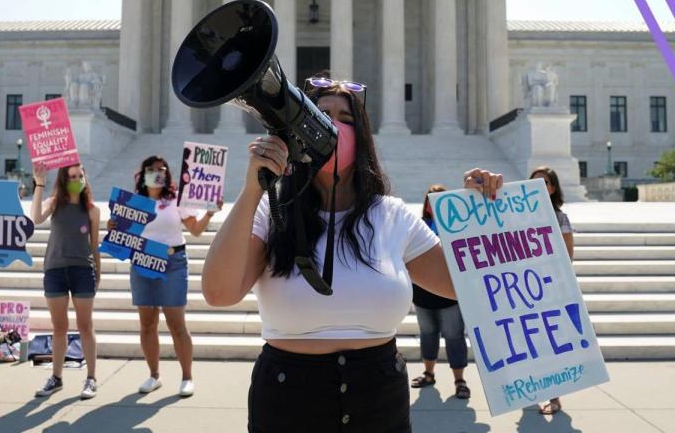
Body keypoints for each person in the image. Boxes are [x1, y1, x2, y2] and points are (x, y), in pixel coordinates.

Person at [203, 75, 503, 433]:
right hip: (288, 400)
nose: (332, 126)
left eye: (345, 119)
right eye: (319, 114)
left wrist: (478, 217)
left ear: (362, 136)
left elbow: (465, 285)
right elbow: (219, 293)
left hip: (379, 400)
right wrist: (255, 188)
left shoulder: (393, 215)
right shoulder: (273, 214)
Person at [109, 155, 222, 398]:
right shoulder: (134, 203)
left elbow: (196, 230)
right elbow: (122, 234)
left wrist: (210, 214)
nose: (157, 173)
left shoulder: (177, 200)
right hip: (143, 262)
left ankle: (187, 377)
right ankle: (154, 375)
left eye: (161, 169)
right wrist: (113, 229)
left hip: (173, 262)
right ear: (144, 173)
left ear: (168, 174)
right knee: (147, 323)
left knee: (176, 323)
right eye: (152, 169)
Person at [30, 163, 101, 400]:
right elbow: (36, 218)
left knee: (85, 326)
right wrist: (39, 183)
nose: (78, 179)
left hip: (82, 271)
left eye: (81, 175)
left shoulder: (92, 210)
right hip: (55, 270)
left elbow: (94, 246)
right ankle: (56, 378)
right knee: (59, 327)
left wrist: (97, 273)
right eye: (73, 176)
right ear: (64, 178)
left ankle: (91, 378)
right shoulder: (54, 203)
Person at [410, 184, 470, 400]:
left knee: (454, 336)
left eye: (438, 200)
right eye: (430, 200)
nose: (433, 204)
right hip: (422, 293)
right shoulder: (418, 226)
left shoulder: (456, 227)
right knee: (428, 334)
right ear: (426, 205)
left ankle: (460, 380)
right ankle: (429, 373)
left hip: (448, 293)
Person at [529, 166, 574, 416]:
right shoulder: (516, 217)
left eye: (543, 183)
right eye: (533, 183)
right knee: (530, 342)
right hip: (523, 290)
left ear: (553, 187)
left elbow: (567, 257)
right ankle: (531, 388)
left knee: (551, 343)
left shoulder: (560, 219)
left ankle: (554, 396)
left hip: (551, 288)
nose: (538, 187)